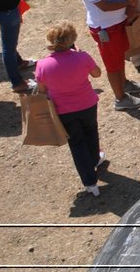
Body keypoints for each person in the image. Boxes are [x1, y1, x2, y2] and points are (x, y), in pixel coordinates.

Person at [35, 21, 108, 197]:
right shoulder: (82, 57)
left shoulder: (43, 65)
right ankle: (95, 159)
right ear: (73, 39)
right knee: (91, 131)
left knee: (76, 143)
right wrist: (81, 55)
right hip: (88, 104)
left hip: (63, 111)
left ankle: (90, 183)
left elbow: (42, 90)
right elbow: (97, 74)